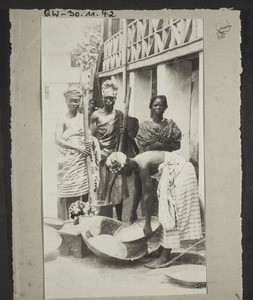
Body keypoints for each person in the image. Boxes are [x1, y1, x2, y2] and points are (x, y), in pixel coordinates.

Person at [106, 151, 203, 269]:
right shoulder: (136, 164)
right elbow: (137, 189)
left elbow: (148, 196)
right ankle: (162, 249)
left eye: (122, 172)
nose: (123, 175)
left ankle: (164, 257)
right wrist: (133, 212)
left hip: (182, 174)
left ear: (126, 164)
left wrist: (147, 224)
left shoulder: (143, 165)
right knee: (165, 211)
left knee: (169, 212)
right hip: (174, 174)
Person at [55, 86, 100, 220]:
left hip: (83, 161)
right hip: (70, 161)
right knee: (70, 193)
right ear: (66, 101)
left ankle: (82, 222)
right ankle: (68, 223)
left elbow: (89, 136)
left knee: (84, 191)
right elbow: (58, 139)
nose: (74, 104)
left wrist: (91, 142)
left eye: (76, 101)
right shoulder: (62, 119)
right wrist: (76, 147)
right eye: (71, 101)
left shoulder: (83, 117)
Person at [135, 95, 182, 217]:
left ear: (165, 107)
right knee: (148, 194)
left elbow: (177, 145)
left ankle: (164, 223)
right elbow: (142, 145)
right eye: (155, 105)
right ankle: (148, 221)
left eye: (161, 105)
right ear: (151, 107)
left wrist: (162, 145)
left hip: (166, 166)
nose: (158, 108)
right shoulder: (145, 125)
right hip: (148, 167)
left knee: (165, 195)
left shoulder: (170, 125)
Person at [90, 80, 128, 221]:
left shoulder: (120, 115)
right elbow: (91, 138)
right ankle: (103, 220)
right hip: (101, 157)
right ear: (103, 98)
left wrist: (123, 133)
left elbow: (121, 137)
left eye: (111, 98)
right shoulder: (96, 115)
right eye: (106, 98)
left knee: (118, 189)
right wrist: (99, 154)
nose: (109, 101)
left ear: (115, 99)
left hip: (116, 155)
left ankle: (118, 220)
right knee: (102, 190)